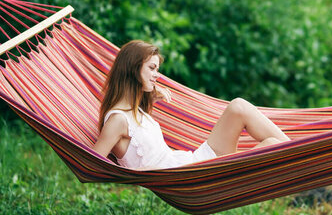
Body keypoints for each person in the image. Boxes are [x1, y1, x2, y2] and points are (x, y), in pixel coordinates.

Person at [93, 40, 290, 170]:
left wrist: (150, 94)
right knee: (273, 146)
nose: (157, 75)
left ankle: (303, 154)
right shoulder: (118, 120)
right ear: (132, 69)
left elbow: (140, 139)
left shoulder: (134, 111)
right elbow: (91, 164)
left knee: (238, 106)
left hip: (194, 161)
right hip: (193, 175)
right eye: (152, 68)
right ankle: (304, 158)